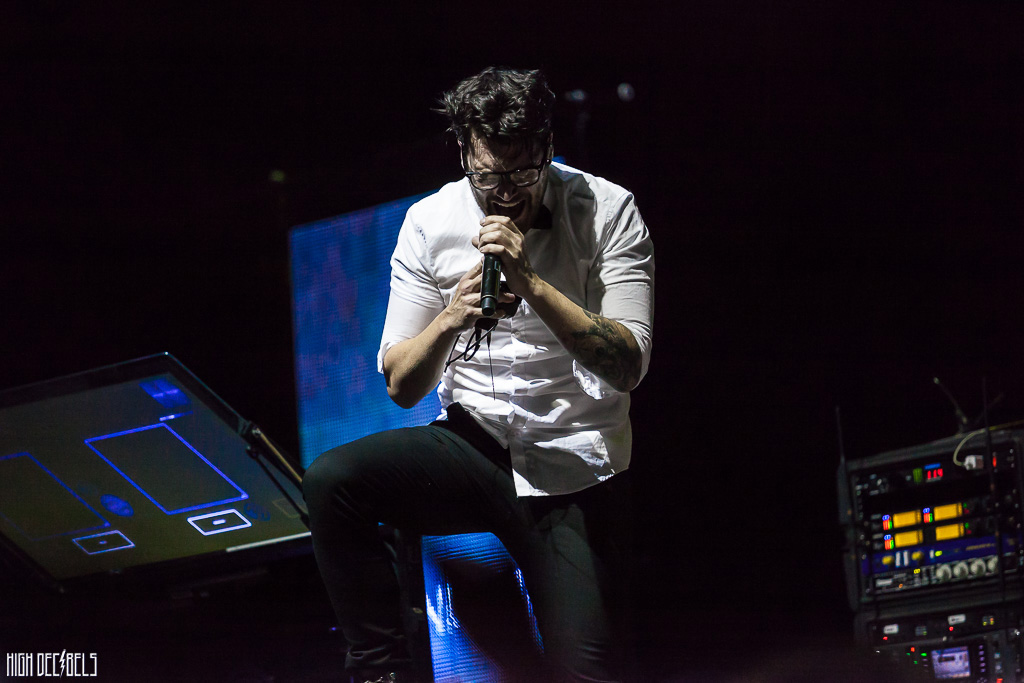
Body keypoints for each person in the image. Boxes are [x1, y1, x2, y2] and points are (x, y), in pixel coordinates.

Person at [302, 67, 655, 683]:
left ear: (547, 147)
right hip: (476, 444)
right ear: (465, 153)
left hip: (572, 463)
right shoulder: (430, 222)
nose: (505, 194)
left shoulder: (606, 209)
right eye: (488, 176)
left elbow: (628, 365)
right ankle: (384, 674)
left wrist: (530, 282)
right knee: (334, 482)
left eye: (523, 173)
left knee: (584, 672)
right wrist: (450, 318)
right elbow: (401, 386)